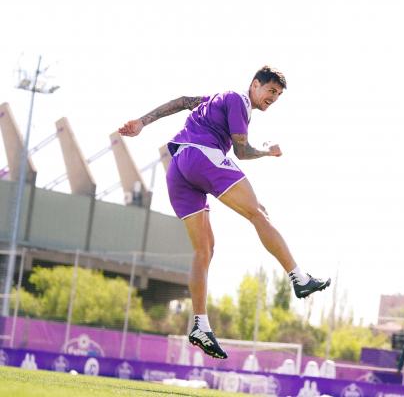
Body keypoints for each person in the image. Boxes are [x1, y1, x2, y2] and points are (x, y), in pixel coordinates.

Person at [119, 65, 330, 359]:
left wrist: (143, 122)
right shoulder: (238, 101)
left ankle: (200, 325)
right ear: (255, 84)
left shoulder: (216, 98)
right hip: (201, 156)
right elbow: (241, 152)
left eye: (278, 95)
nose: (273, 98)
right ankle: (299, 277)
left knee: (204, 250)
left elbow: (182, 101)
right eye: (270, 91)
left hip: (178, 167)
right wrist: (268, 153)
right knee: (259, 213)